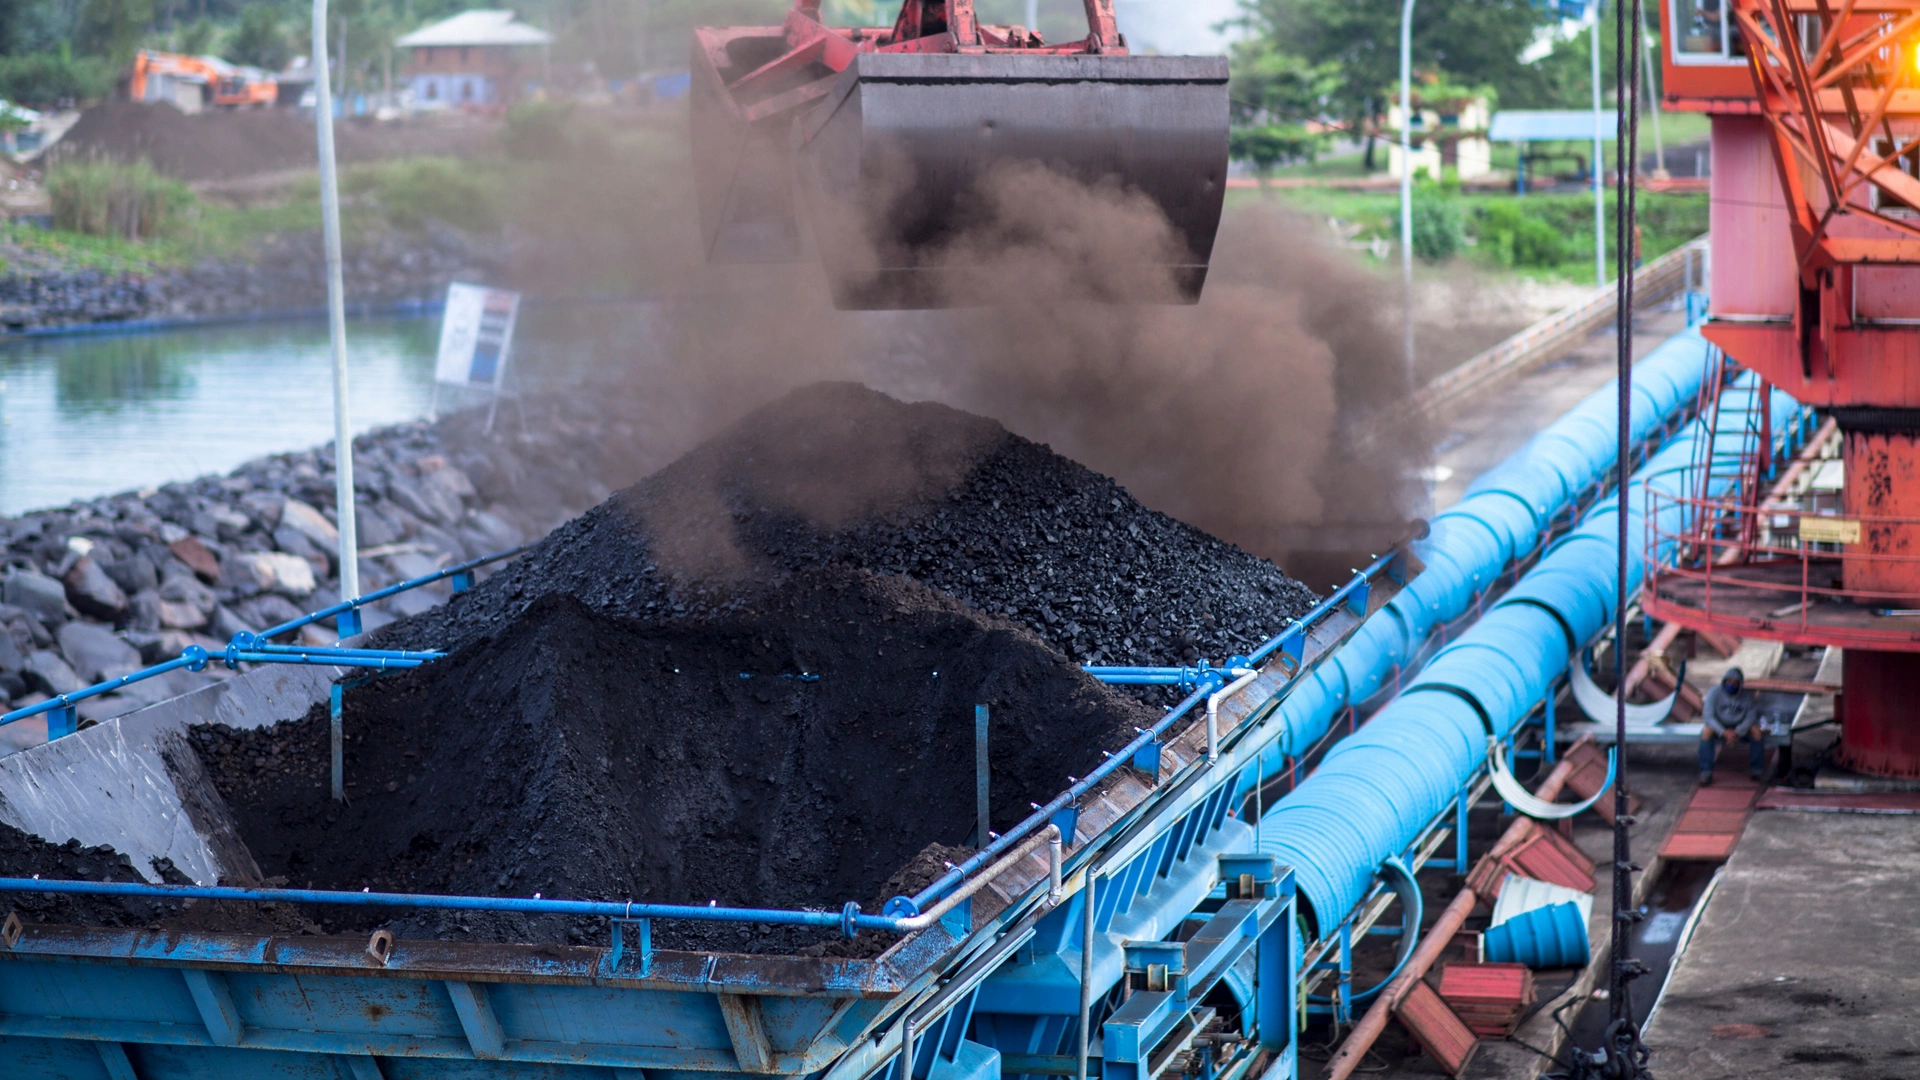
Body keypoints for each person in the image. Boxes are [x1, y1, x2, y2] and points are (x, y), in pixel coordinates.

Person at [1699, 667, 1766, 784]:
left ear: (1739, 684)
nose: (1731, 685)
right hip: (1720, 726)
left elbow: (1751, 716)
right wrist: (1723, 732)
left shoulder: (1747, 696)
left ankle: (1757, 770)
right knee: (1706, 732)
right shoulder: (1713, 693)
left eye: (1734, 683)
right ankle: (1706, 772)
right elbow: (1708, 716)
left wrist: (1737, 732)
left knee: (1756, 732)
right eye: (1728, 682)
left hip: (1739, 727)